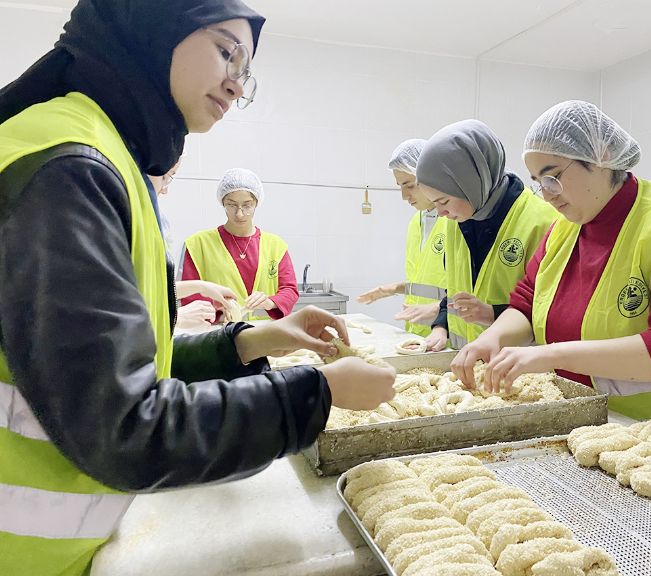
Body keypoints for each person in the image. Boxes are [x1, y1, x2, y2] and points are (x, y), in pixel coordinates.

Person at [0, 2, 395, 575]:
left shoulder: (100, 152)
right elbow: (126, 428)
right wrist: (319, 394)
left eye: (247, 68)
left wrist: (251, 342)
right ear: (157, 25)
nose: (237, 82)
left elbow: (126, 363)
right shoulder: (69, 169)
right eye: (226, 50)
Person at [452, 100, 651, 444]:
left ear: (603, 156)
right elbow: (527, 300)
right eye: (538, 182)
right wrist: (492, 340)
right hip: (603, 434)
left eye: (553, 177)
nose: (546, 195)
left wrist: (549, 354)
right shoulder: (565, 230)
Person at [415, 119, 558, 351]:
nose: (440, 212)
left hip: (521, 370)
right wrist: (441, 325)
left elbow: (552, 309)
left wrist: (494, 314)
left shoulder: (542, 221)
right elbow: (454, 290)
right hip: (470, 365)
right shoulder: (456, 220)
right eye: (435, 203)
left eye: (444, 201)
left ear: (471, 183)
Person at [180, 167, 299, 321]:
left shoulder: (276, 246)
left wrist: (270, 302)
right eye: (232, 205)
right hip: (218, 335)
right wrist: (219, 312)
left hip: (266, 334)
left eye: (247, 205)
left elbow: (289, 290)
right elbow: (189, 296)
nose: (239, 213)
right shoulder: (198, 245)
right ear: (222, 202)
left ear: (257, 202)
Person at [357, 139, 448, 337]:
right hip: (417, 331)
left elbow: (467, 288)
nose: (404, 196)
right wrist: (394, 288)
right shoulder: (417, 221)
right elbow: (427, 280)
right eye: (400, 186)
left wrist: (439, 314)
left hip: (447, 334)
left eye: (410, 185)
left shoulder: (455, 221)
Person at [149, 163, 240, 329]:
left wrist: (202, 287)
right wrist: (175, 318)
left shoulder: (157, 219)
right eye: (165, 177)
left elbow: (152, 288)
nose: (165, 189)